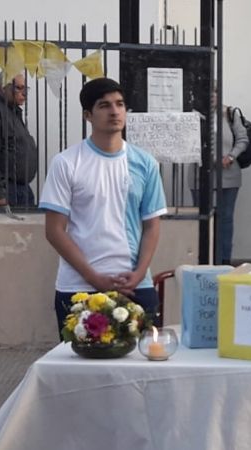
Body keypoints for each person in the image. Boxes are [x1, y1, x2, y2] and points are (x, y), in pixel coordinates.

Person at [40, 78, 167, 335]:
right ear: (88, 115)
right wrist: (94, 277)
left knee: (141, 367)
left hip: (135, 285)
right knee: (80, 370)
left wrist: (139, 272)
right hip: (78, 287)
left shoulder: (145, 163)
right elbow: (54, 231)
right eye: (104, 105)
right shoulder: (66, 163)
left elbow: (152, 225)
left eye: (120, 104)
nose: (115, 111)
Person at [214, 90, 249, 265]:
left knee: (226, 218)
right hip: (200, 175)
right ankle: (204, 256)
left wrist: (231, 156)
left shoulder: (230, 113)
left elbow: (243, 139)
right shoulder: (194, 114)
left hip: (228, 173)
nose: (211, 96)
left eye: (214, 92)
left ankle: (224, 260)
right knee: (204, 217)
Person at [0, 74, 38, 207]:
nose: (24, 94)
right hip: (6, 189)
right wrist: (0, 193)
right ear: (2, 88)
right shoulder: (1, 112)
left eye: (26, 89)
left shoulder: (13, 112)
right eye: (19, 88)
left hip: (21, 188)